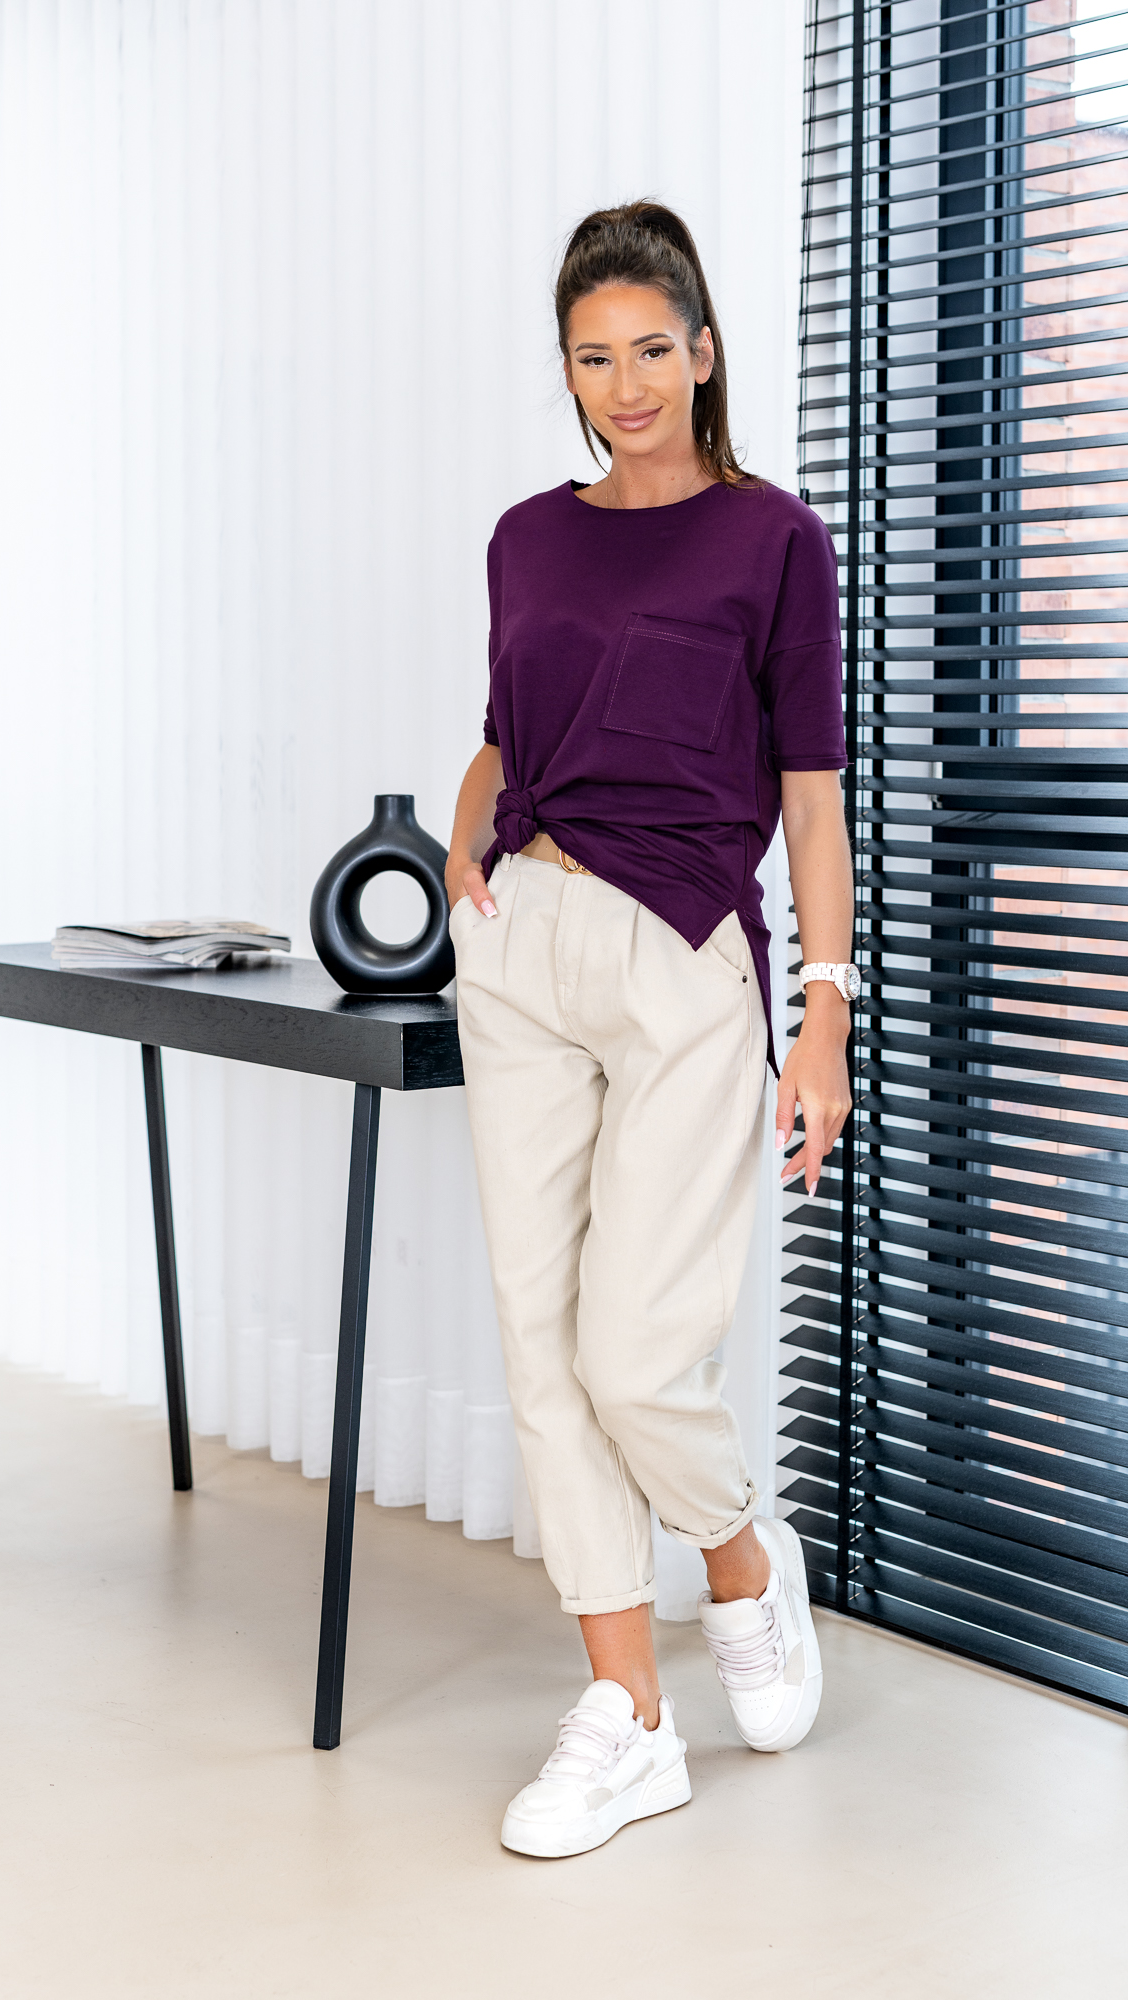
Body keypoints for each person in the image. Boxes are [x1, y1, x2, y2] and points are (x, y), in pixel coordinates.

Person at [445, 200, 856, 1859]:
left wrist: (821, 1017)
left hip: (683, 955)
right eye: (590, 357)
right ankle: (627, 1716)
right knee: (539, 1343)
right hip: (520, 953)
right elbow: (502, 732)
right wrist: (465, 846)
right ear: (566, 370)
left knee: (632, 1353)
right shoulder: (522, 538)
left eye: (647, 350)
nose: (622, 385)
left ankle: (741, 1558)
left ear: (702, 351)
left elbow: (811, 802)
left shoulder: (773, 540)